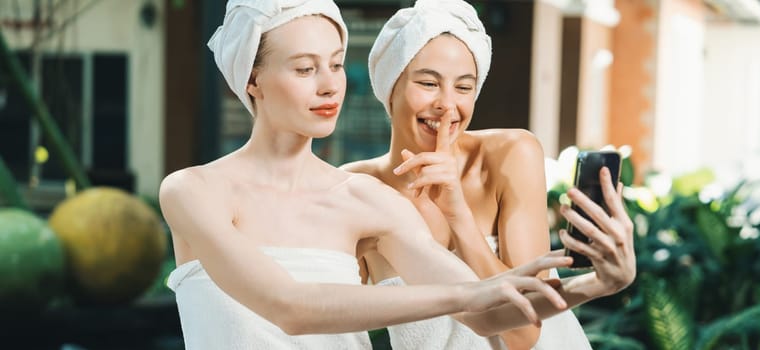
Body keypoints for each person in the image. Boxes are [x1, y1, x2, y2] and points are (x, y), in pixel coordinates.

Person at [159, 0, 635, 349]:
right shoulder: (194, 191)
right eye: (305, 68)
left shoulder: (366, 198)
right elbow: (290, 307)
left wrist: (596, 284)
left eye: (337, 65)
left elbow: (492, 319)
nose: (329, 85)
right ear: (252, 80)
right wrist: (467, 292)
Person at [341, 0, 633, 349]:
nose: (448, 104)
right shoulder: (357, 189)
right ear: (391, 88)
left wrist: (458, 214)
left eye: (464, 88)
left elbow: (523, 333)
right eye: (429, 83)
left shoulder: (511, 153)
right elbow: (337, 324)